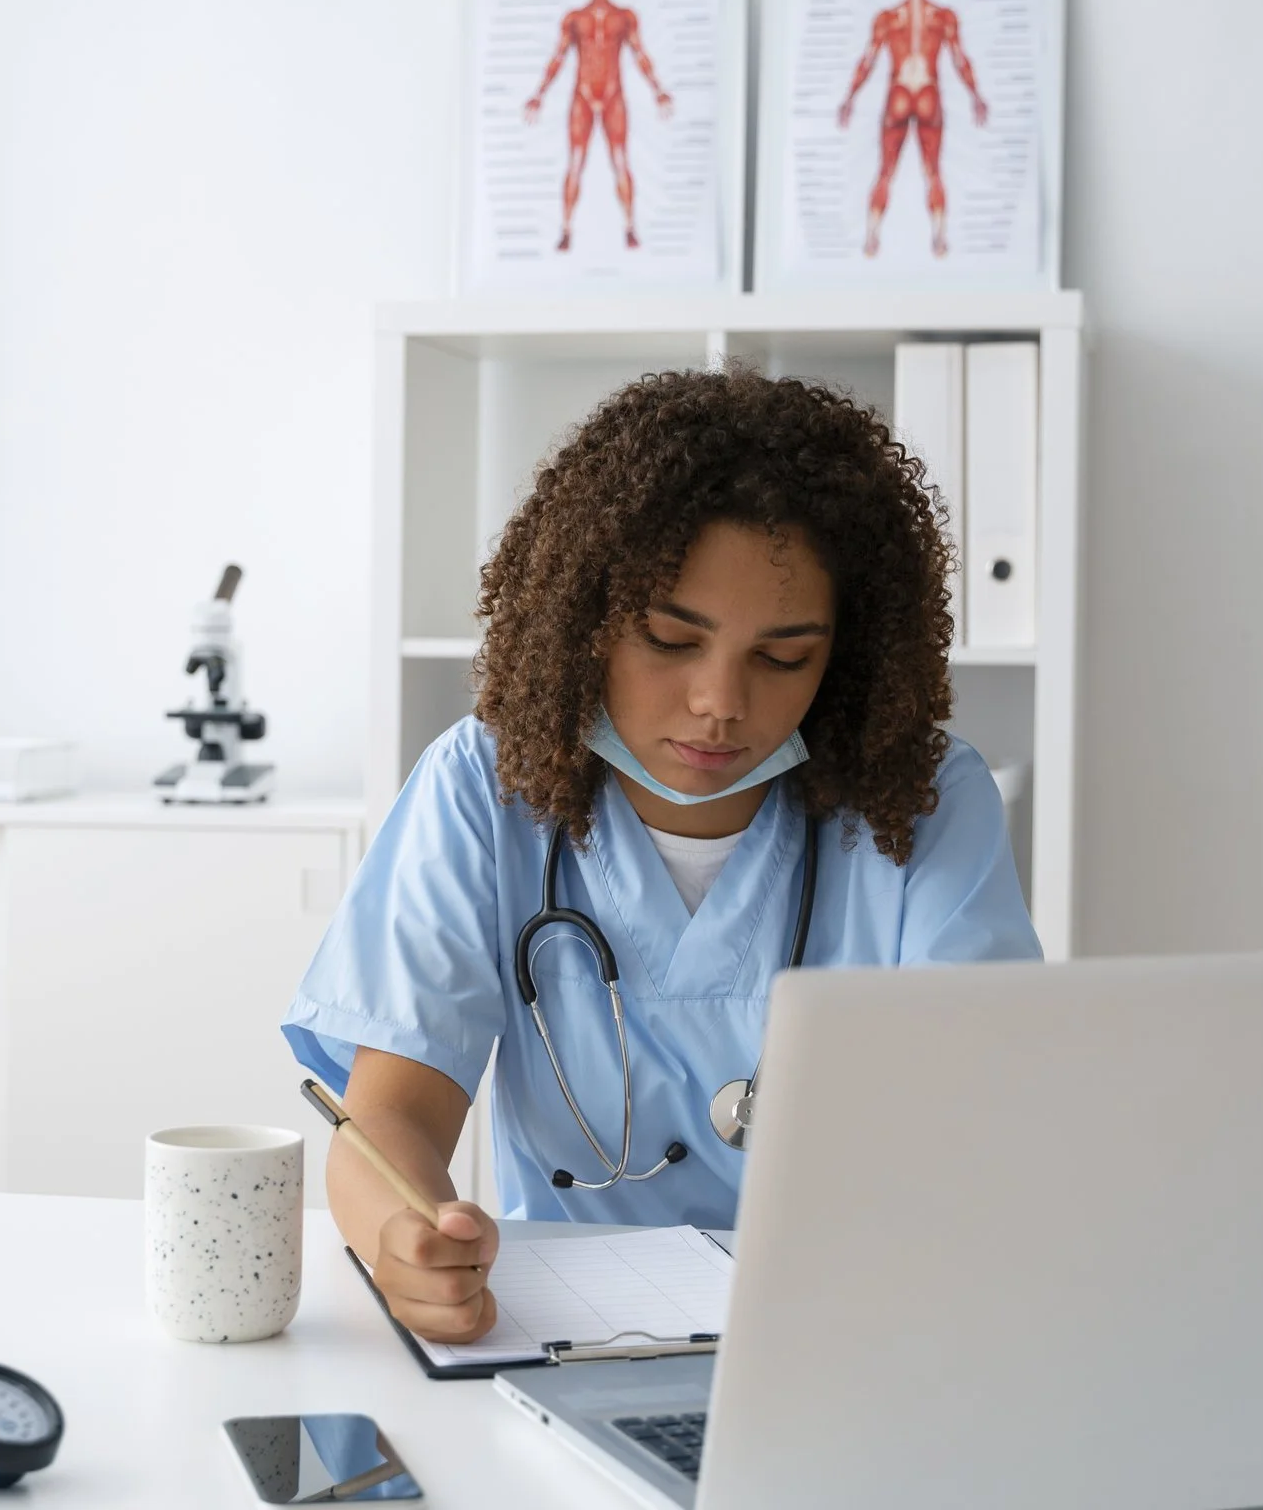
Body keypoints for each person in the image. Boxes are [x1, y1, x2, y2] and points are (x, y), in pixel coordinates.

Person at [282, 368, 1040, 1344]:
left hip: (844, 1332)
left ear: (845, 652)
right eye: (669, 639)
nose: (720, 701)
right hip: (567, 1337)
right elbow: (392, 1119)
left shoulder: (924, 799)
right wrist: (408, 1236)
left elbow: (988, 1124)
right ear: (586, 619)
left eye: (783, 657)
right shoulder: (483, 785)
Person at [837, 0, 988, 259]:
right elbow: (960, 59)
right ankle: (939, 239)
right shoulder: (942, 17)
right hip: (927, 92)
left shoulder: (889, 18)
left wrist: (850, 98)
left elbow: (867, 60)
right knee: (932, 171)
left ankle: (871, 238)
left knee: (886, 171)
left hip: (900, 93)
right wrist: (975, 95)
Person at [524, 0, 674, 252]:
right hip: (582, 93)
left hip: (612, 94)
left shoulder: (624, 17)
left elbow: (639, 53)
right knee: (576, 162)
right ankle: (566, 228)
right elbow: (558, 57)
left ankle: (630, 227)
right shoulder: (575, 18)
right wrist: (539, 93)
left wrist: (658, 89)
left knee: (620, 160)